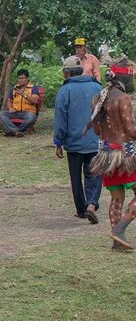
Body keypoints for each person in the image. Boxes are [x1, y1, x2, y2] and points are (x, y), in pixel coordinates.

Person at [88, 60, 136, 251]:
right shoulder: (123, 98)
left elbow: (98, 130)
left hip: (106, 155)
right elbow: (131, 131)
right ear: (125, 78)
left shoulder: (98, 98)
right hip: (125, 155)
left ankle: (118, 243)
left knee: (117, 199)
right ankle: (120, 229)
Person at [53, 56, 102, 223]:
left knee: (76, 178)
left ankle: (82, 209)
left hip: (73, 143)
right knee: (94, 174)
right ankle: (92, 204)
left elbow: (60, 119)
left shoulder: (64, 91)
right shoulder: (97, 87)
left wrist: (58, 142)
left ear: (67, 73)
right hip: (95, 141)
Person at [0, 69, 40, 137]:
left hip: (28, 112)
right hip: (16, 112)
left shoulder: (33, 88)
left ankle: (14, 131)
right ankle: (16, 131)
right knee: (2, 114)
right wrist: (10, 107)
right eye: (19, 78)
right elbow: (9, 100)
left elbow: (35, 101)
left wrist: (23, 94)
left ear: (27, 78)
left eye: (22, 78)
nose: (20, 80)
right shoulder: (14, 88)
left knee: (32, 118)